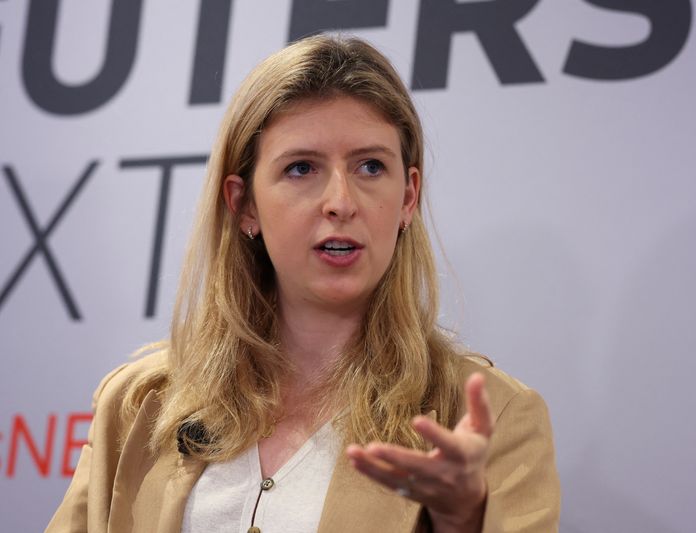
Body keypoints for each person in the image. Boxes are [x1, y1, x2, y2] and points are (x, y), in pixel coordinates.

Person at [46, 35, 560, 533]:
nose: (340, 200)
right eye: (301, 168)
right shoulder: (138, 405)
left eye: (370, 166)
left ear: (408, 196)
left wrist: (462, 521)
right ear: (244, 203)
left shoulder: (494, 421)